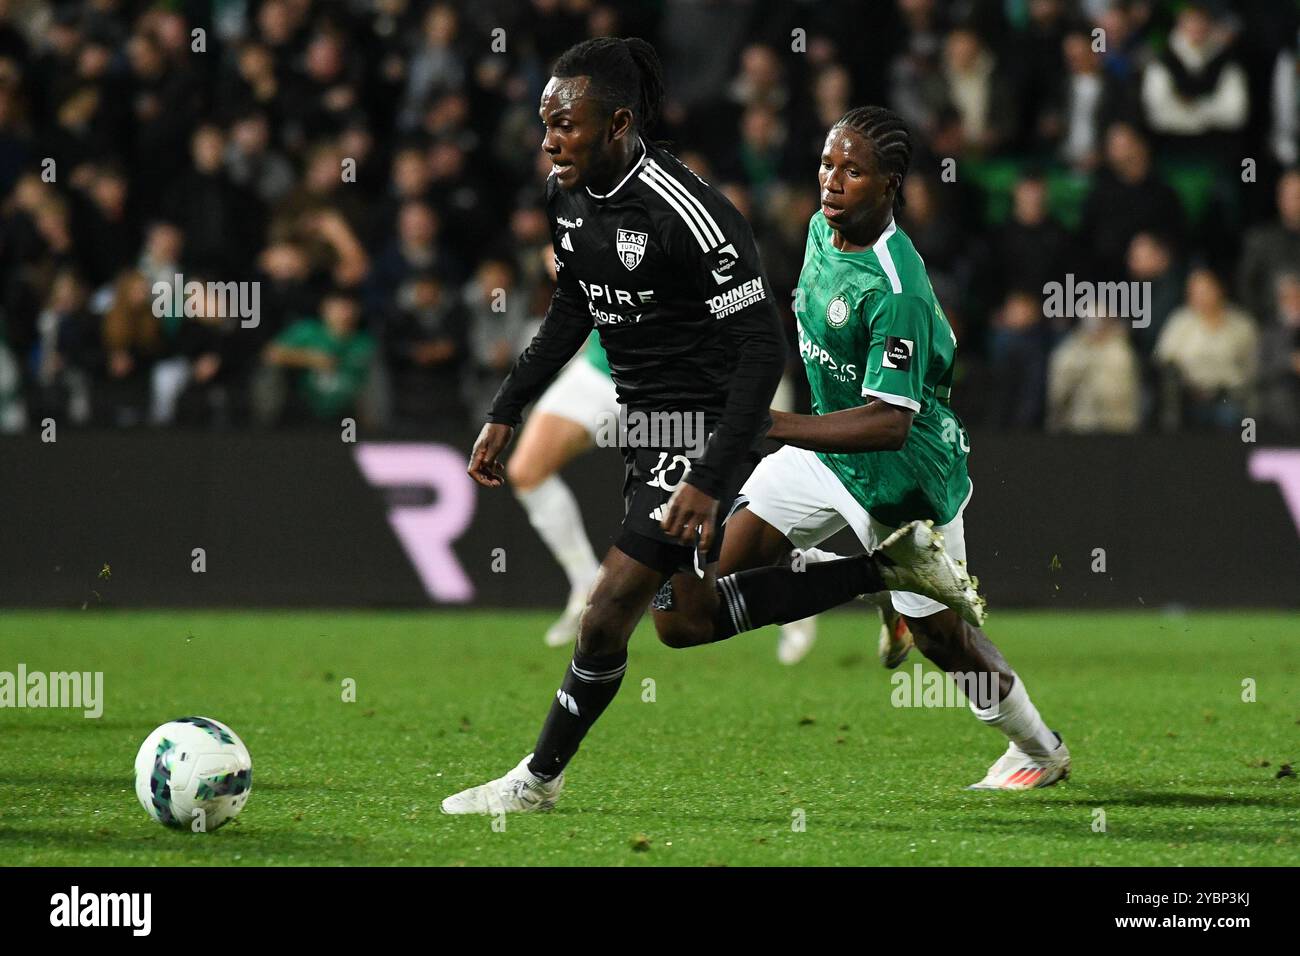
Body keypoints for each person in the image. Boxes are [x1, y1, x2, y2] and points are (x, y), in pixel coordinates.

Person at [442, 44, 980, 815]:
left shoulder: (690, 210)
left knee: (605, 616)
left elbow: (761, 349)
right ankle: (883, 572)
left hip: (700, 419)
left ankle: (536, 782)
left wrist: (706, 472)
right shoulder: (567, 198)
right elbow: (574, 307)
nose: (549, 140)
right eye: (545, 124)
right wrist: (507, 406)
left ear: (618, 124)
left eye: (566, 124)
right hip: (645, 416)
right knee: (683, 623)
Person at [652, 107, 1069, 791]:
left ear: (890, 185)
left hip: (904, 481)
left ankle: (1039, 749)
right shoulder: (821, 229)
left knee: (946, 643)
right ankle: (859, 574)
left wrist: (774, 425)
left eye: (852, 170)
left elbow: (888, 425)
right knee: (682, 614)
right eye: (826, 164)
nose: (832, 181)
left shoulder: (895, 287)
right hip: (824, 451)